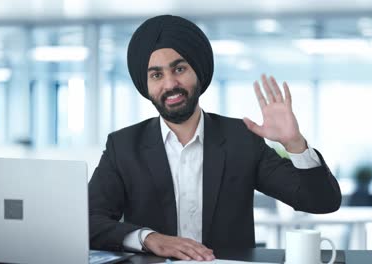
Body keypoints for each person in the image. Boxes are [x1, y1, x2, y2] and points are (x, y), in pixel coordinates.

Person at [89, 15, 341, 261]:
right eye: (156, 75)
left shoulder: (241, 139)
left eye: (179, 69)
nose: (170, 84)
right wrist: (149, 238)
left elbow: (322, 202)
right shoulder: (123, 147)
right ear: (146, 85)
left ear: (198, 71)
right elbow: (88, 221)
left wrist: (294, 143)